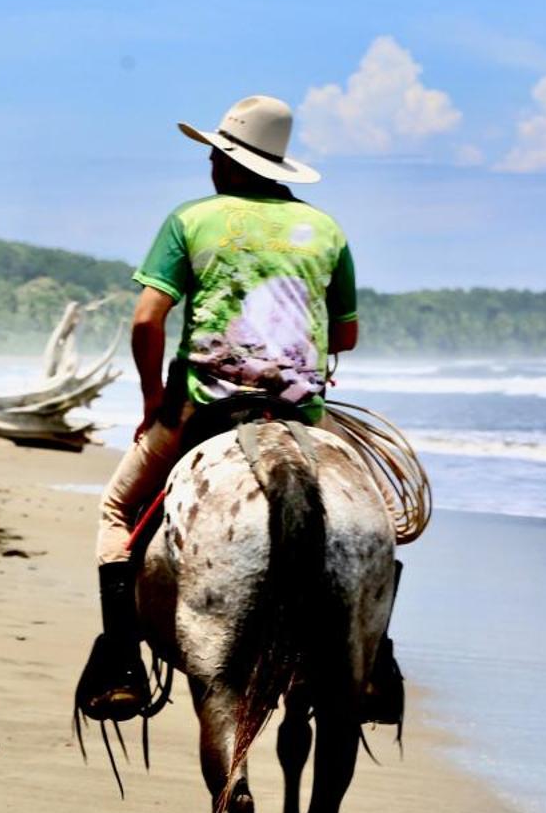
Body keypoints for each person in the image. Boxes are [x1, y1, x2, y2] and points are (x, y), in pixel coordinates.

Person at [75, 94, 361, 720]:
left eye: (216, 151)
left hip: (206, 407)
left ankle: (124, 659)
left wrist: (153, 399)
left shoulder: (192, 219)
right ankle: (374, 661)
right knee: (377, 513)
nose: (209, 160)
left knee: (119, 509)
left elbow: (148, 320)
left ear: (231, 162)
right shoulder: (327, 230)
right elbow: (344, 337)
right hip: (298, 412)